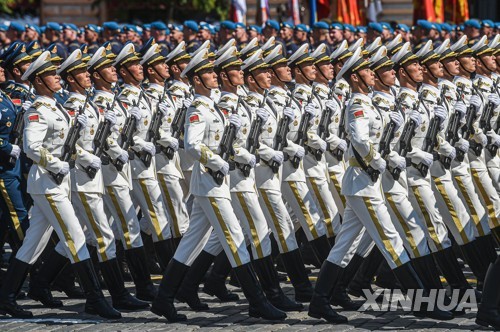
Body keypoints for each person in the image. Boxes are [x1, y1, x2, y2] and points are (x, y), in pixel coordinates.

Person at [150, 48, 286, 323]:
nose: (215, 75)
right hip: (210, 183)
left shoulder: (212, 106)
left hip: (216, 182)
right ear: (198, 80)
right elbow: (192, 144)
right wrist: (215, 162)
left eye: (215, 71)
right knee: (235, 237)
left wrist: (236, 153)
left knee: (191, 242)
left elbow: (224, 144)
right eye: (209, 72)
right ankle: (258, 302)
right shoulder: (198, 108)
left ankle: (163, 299)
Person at [0, 50, 116, 319]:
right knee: (75, 236)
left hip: (57, 183)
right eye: (51, 74)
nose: (56, 77)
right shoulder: (38, 110)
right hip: (47, 183)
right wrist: (54, 164)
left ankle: (6, 296)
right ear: (39, 80)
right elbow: (32, 147)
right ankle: (95, 299)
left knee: (33, 243)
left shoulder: (56, 106)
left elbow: (67, 145)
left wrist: (80, 156)